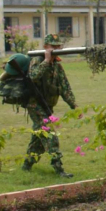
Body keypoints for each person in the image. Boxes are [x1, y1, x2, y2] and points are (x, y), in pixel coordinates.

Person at [23, 34, 78, 177]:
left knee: (38, 138)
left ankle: (27, 165)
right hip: (35, 105)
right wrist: (46, 61)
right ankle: (59, 169)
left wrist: (75, 106)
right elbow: (33, 76)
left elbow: (65, 88)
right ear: (46, 47)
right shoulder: (37, 61)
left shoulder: (57, 67)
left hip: (47, 106)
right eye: (53, 46)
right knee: (49, 134)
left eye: (58, 46)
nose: (57, 49)